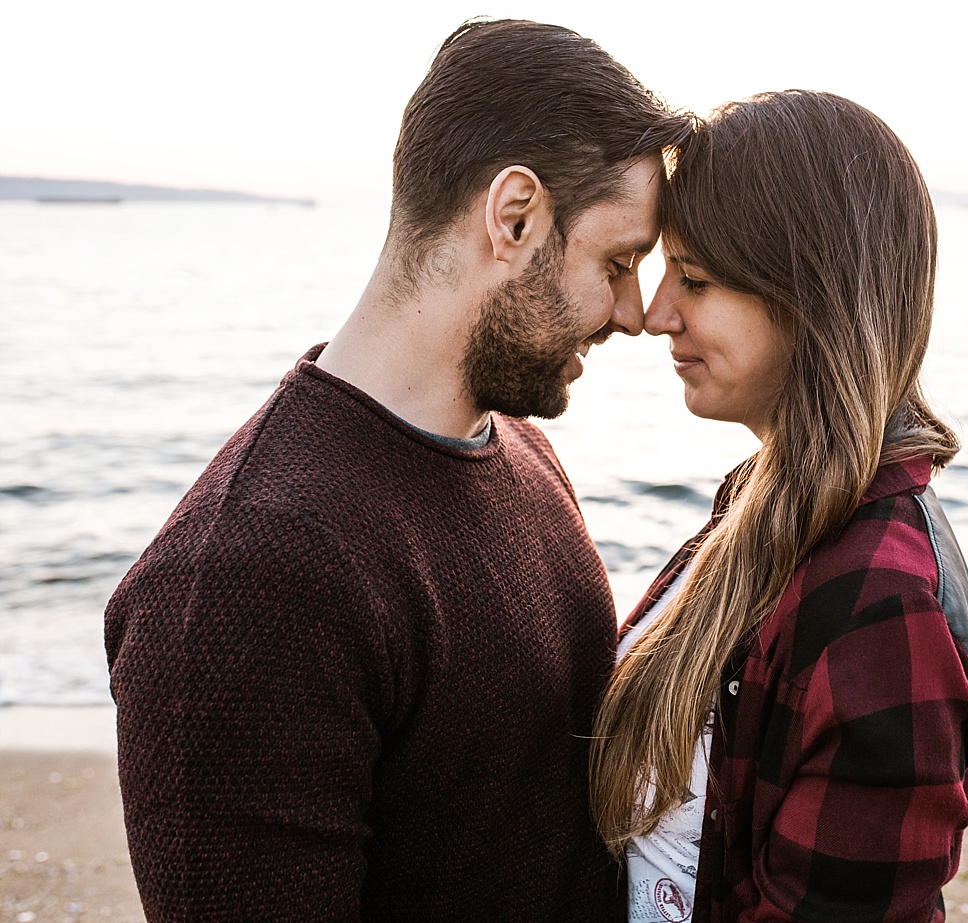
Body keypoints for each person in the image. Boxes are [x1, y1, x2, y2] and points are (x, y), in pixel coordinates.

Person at [104, 20, 691, 921]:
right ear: (516, 215)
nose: (631, 312)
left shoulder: (520, 448)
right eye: (617, 262)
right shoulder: (242, 579)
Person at [588, 90, 968, 923]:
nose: (656, 314)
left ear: (808, 299)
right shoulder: (764, 501)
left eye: (692, 279)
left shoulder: (880, 601)